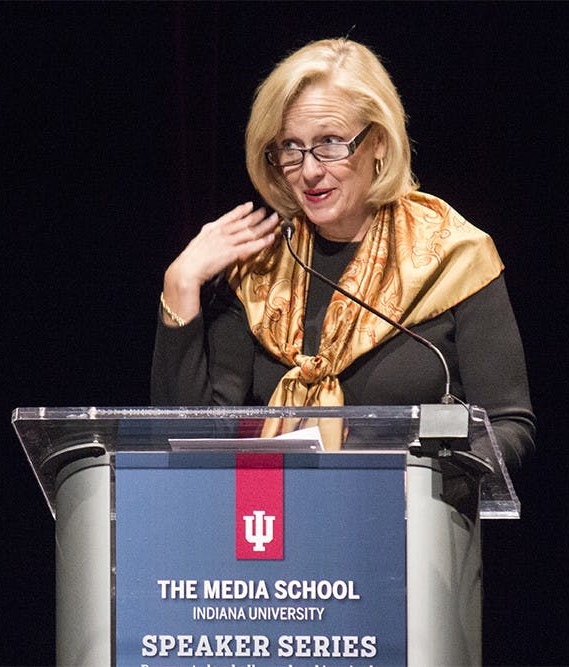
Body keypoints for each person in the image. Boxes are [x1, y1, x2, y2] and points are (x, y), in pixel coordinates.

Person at [151, 38, 534, 468]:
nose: (310, 170)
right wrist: (180, 284)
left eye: (330, 142)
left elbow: (508, 424)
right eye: (290, 147)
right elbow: (192, 441)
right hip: (271, 509)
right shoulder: (259, 269)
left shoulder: (452, 257)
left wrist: (430, 478)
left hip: (413, 507)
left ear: (379, 142)